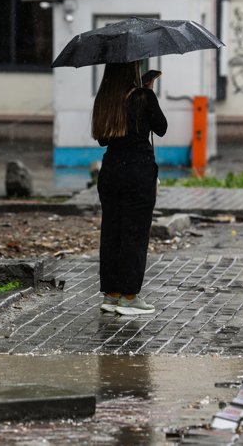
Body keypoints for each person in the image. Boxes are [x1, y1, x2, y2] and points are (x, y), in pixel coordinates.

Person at [92, 62, 167, 315]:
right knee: (134, 234)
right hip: (138, 171)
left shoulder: (105, 98)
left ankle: (111, 294)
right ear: (132, 72)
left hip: (111, 171)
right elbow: (161, 128)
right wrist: (147, 91)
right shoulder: (143, 97)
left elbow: (102, 137)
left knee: (112, 231)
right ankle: (130, 296)